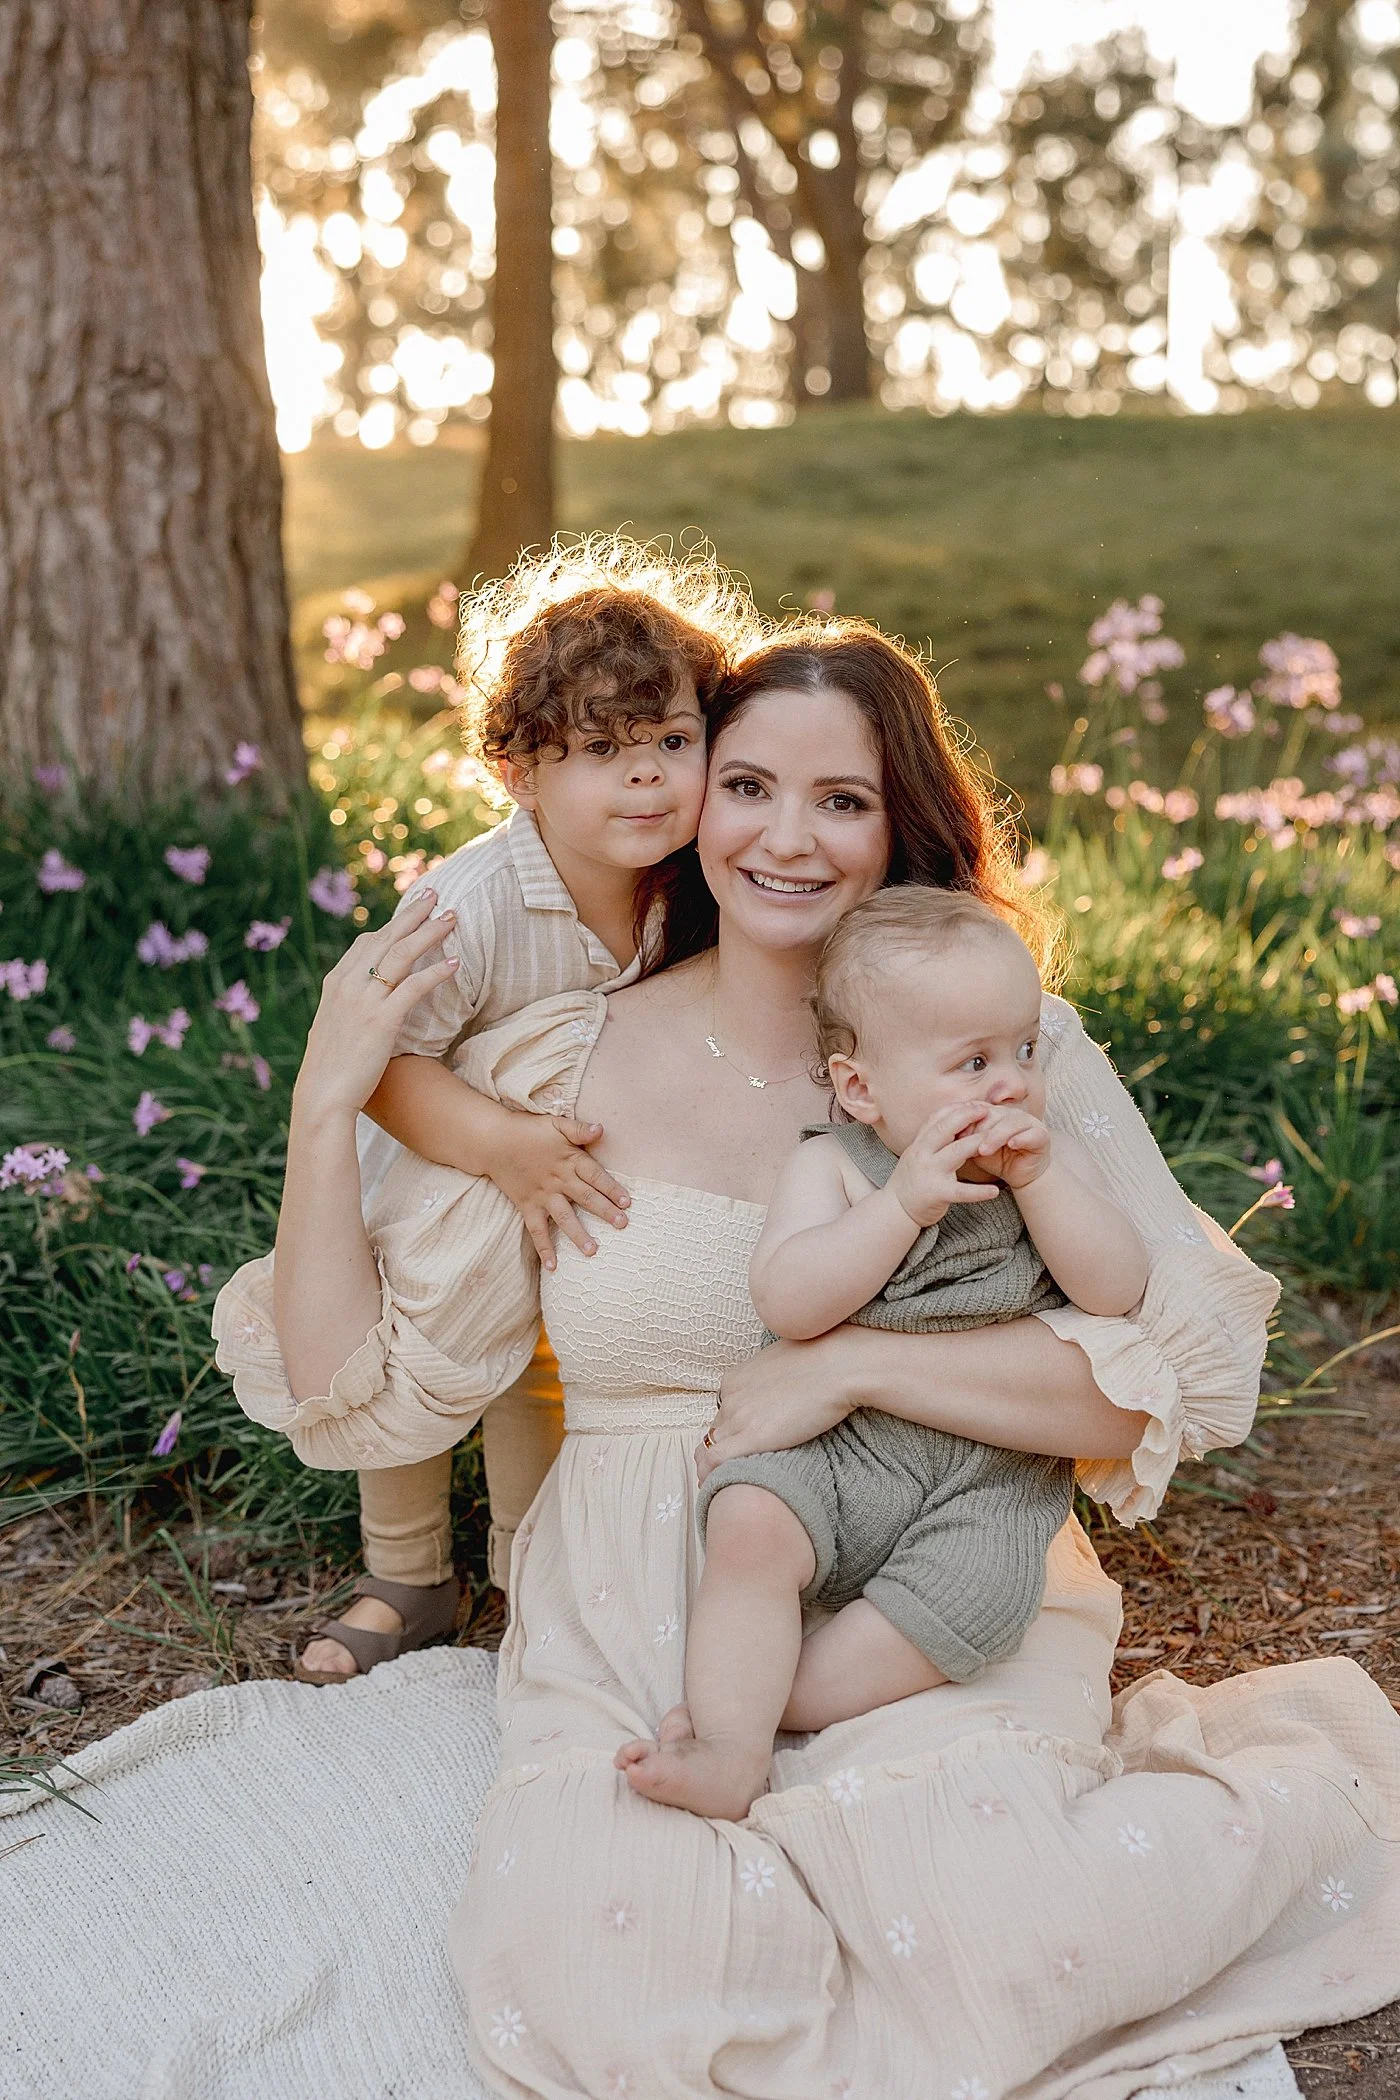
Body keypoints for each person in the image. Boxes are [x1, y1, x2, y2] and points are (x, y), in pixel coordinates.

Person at [215, 620, 1400, 2098]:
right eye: (751, 786)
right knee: (615, 1989)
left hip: (935, 1546)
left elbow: (1176, 1378)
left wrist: (853, 1372)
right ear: (695, 798)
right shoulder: (556, 1067)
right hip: (643, 1579)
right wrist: (329, 1105)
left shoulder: (1003, 1053)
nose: (787, 839)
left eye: (841, 801)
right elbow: (360, 1389)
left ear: (902, 827)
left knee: (1004, 1929)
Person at [237, 537, 760, 1683]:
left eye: (674, 742)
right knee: (416, 1348)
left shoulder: (692, 887)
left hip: (568, 1177)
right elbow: (380, 1064)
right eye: (600, 752)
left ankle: (534, 1568)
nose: (648, 779)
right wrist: (503, 1147)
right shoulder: (470, 905)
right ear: (518, 772)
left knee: (553, 1358)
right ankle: (407, 1571)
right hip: (445, 1178)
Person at [617, 886, 1148, 1819]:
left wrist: (1045, 1180)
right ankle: (727, 1752)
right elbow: (787, 1298)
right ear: (862, 1089)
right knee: (749, 1518)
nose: (1011, 1083)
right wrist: (903, 1205)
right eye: (972, 1062)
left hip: (990, 1476)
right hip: (842, 1449)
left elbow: (1115, 1291)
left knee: (972, 1598)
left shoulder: (1049, 1162)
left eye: (1024, 1050)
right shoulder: (835, 1166)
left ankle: (776, 1699)